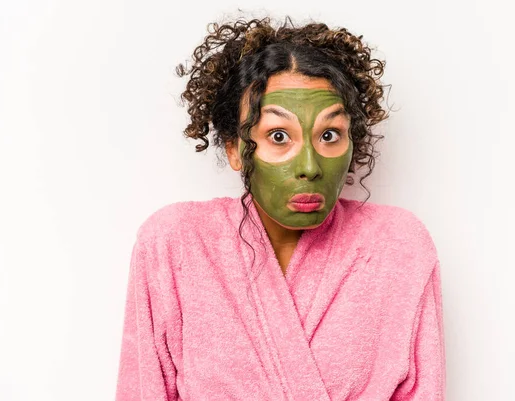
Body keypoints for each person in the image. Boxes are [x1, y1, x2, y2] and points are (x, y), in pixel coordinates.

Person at [115, 16, 446, 401]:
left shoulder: (398, 246)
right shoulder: (174, 244)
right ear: (235, 148)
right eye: (278, 136)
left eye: (329, 134)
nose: (309, 165)